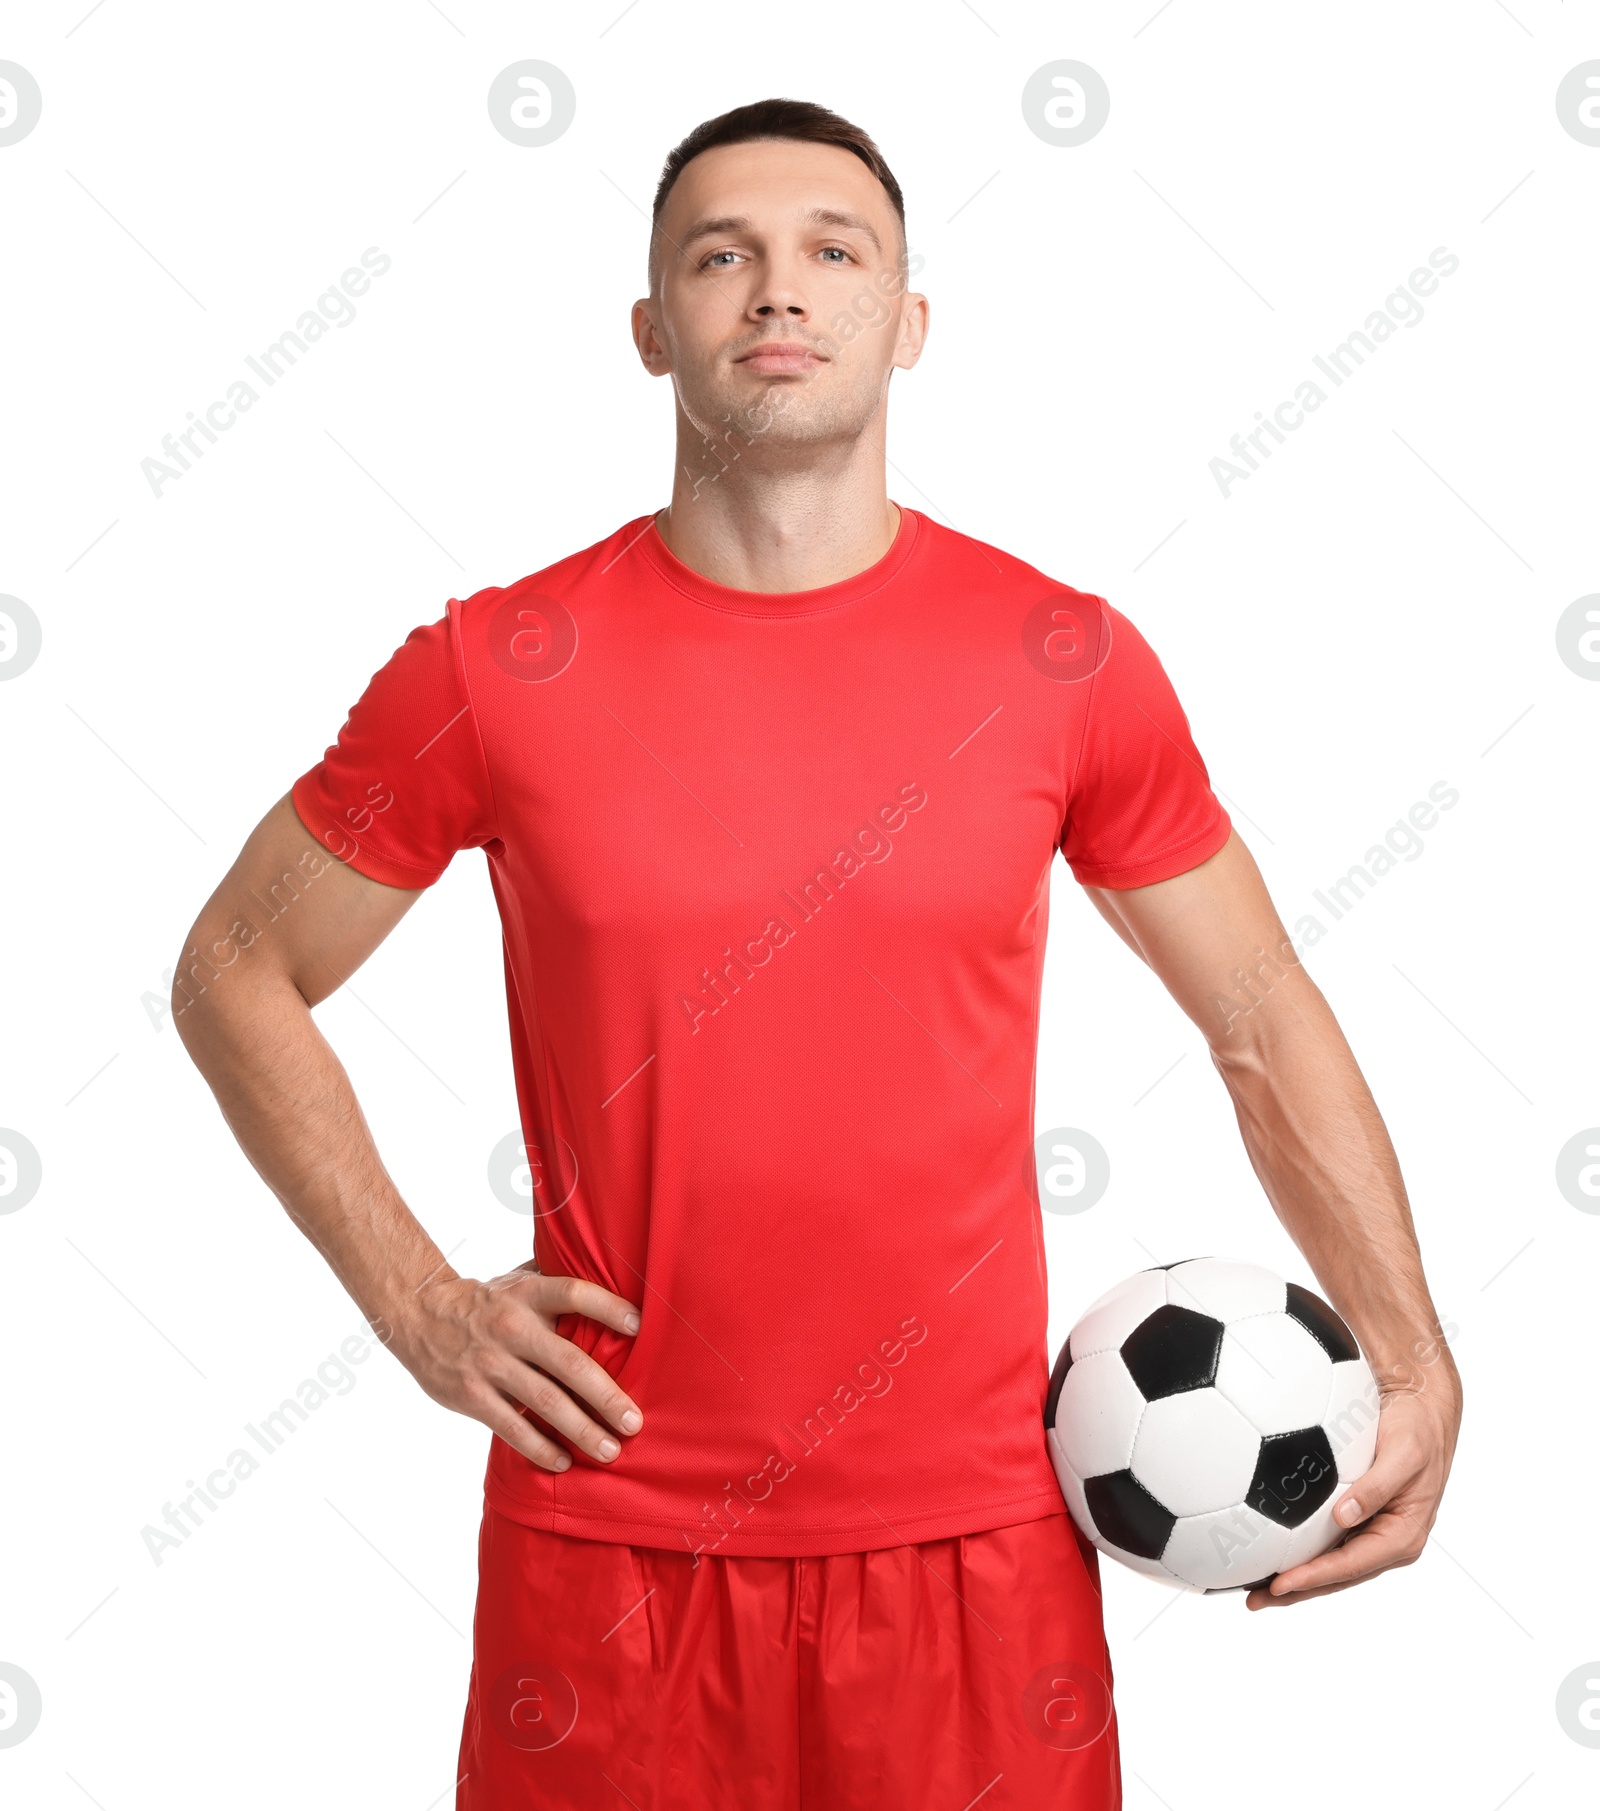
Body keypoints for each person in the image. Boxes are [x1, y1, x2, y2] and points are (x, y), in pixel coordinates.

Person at [173, 97, 1462, 1810]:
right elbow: (233, 973)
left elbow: (1255, 1014)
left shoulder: (1063, 662)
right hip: (612, 1550)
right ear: (652, 329)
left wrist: (1408, 1351)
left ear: (908, 323)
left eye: (833, 253)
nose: (780, 290)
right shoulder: (494, 672)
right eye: (723, 256)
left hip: (976, 1560)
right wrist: (420, 1309)